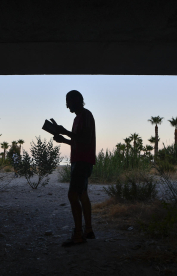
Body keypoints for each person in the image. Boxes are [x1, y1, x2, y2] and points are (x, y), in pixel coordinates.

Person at [52, 90, 96, 247]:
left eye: (69, 101)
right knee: (82, 194)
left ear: (77, 101)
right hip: (81, 161)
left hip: (82, 162)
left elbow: (84, 139)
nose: (67, 105)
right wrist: (64, 139)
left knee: (72, 196)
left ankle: (78, 235)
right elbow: (80, 141)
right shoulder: (80, 117)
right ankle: (88, 230)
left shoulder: (85, 116)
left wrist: (64, 131)